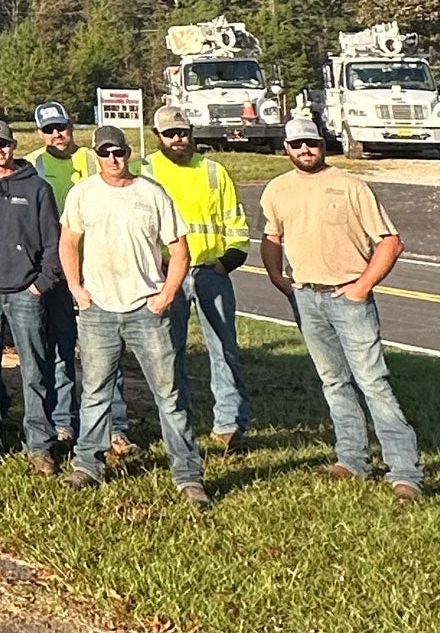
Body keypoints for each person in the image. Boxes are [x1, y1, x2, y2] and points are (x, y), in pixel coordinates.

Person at [260, 117, 423, 501]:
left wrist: (361, 287)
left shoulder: (351, 186)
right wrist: (278, 279)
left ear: (323, 144)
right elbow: (271, 237)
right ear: (286, 148)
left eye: (311, 143)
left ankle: (405, 473)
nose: (305, 150)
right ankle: (351, 459)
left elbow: (390, 242)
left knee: (373, 383)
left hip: (349, 299)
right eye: (297, 144)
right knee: (333, 382)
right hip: (306, 298)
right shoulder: (277, 189)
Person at [57, 126, 207, 506]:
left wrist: (167, 295)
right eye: (105, 153)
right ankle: (87, 465)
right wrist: (76, 287)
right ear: (96, 155)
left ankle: (188, 477)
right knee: (94, 392)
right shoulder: (83, 194)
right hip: (98, 310)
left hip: (146, 309)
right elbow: (68, 242)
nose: (113, 159)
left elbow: (179, 250)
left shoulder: (151, 193)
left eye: (119, 152)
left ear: (128, 153)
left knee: (169, 395)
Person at [24, 100, 138, 453]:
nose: (57, 134)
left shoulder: (92, 160)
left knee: (105, 353)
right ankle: (63, 422)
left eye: (62, 126)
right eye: (48, 129)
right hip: (56, 272)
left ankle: (114, 426)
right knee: (60, 349)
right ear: (39, 132)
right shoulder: (33, 164)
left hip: (99, 270)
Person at [146, 105, 252, 452]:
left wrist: (229, 260)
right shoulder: (143, 170)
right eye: (170, 134)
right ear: (157, 136)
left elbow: (235, 220)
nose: (178, 139)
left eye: (183, 132)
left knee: (224, 350)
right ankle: (179, 421)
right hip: (166, 276)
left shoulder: (213, 171)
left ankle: (230, 425)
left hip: (211, 271)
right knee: (169, 351)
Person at [0, 120, 61, 476]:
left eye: (4, 144)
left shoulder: (37, 188)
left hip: (25, 291)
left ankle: (40, 444)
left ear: (14, 145)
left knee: (34, 370)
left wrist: (41, 283)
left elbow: (53, 242)